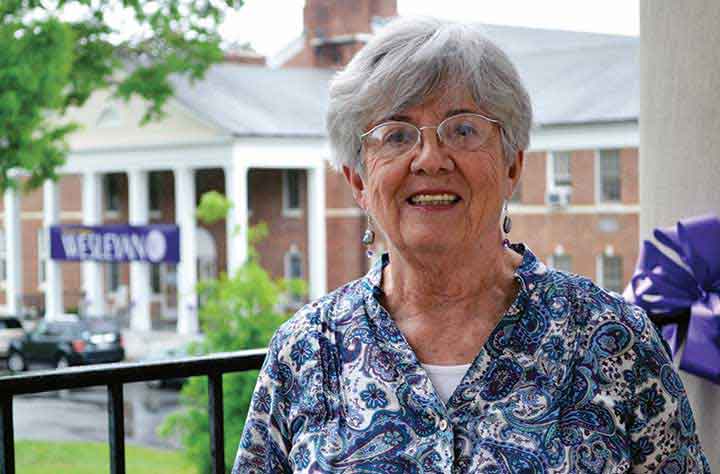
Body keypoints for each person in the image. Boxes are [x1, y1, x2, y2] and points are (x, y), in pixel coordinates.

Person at [233, 17, 709, 473]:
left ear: (512, 165)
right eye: (396, 135)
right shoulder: (306, 352)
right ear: (358, 180)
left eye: (462, 129)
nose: (431, 159)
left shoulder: (613, 341)